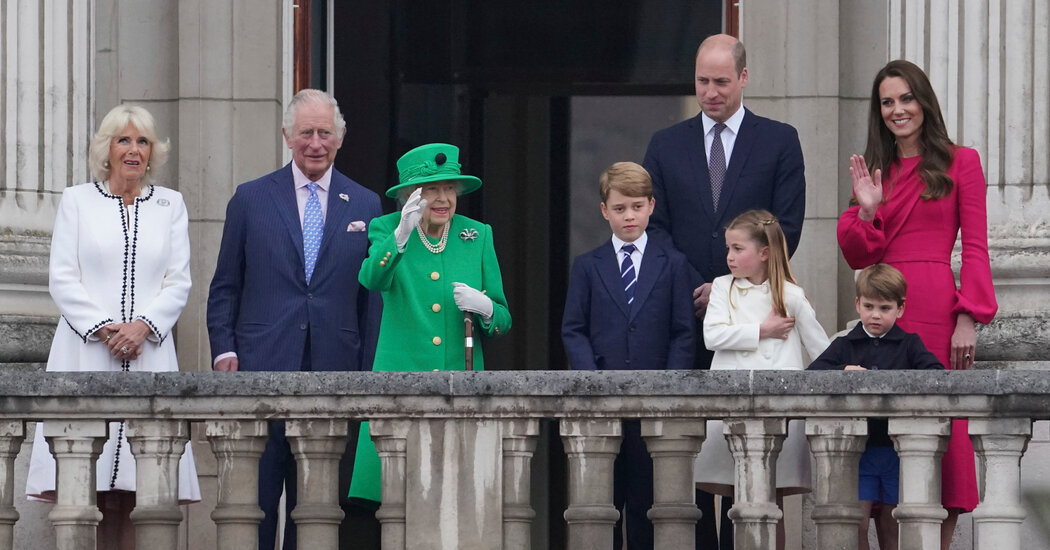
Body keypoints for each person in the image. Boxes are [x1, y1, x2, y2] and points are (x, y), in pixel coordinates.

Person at [641, 34, 807, 546]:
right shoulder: (665, 144)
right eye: (701, 81)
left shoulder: (779, 139)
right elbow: (656, 227)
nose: (710, 92)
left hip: (755, 319)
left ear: (743, 78)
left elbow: (787, 226)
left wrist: (729, 283)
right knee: (693, 451)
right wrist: (697, 285)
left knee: (751, 453)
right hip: (683, 316)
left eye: (720, 82)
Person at [206, 88, 382, 549]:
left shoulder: (365, 204)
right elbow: (225, 286)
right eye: (307, 132)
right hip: (260, 373)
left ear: (340, 138)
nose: (316, 143)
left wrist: (366, 376)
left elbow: (371, 301)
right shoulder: (250, 198)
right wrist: (225, 350)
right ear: (288, 135)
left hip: (334, 376)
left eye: (325, 133)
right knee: (257, 508)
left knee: (317, 513)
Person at [837, 59, 997, 550]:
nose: (898, 109)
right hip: (881, 309)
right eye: (888, 101)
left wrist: (968, 316)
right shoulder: (874, 172)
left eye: (906, 98)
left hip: (935, 307)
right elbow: (858, 253)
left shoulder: (960, 160)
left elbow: (975, 246)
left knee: (941, 436)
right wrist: (867, 208)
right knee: (884, 434)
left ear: (923, 101)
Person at [25, 104, 201, 548]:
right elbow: (63, 277)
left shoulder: (170, 205)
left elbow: (178, 279)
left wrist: (142, 327)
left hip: (149, 353)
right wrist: (107, 329)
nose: (133, 150)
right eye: (124, 140)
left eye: (142, 141)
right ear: (107, 148)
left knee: (139, 491)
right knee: (89, 486)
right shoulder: (77, 201)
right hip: (86, 353)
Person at [348, 142, 511, 505]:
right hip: (400, 389)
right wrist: (401, 236)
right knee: (399, 501)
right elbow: (371, 279)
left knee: (456, 501)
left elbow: (503, 320)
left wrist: (485, 308)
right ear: (410, 196)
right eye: (432, 189)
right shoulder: (387, 229)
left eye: (450, 188)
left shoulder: (477, 235)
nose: (443, 198)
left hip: (460, 395)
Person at [561, 162, 695, 550]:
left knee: (647, 504)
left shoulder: (673, 264)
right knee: (602, 505)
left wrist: (669, 388)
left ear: (651, 206)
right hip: (602, 405)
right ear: (604, 210)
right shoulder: (588, 265)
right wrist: (592, 382)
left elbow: (683, 332)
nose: (629, 216)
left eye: (637, 206)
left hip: (655, 407)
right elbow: (574, 329)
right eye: (620, 208)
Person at [694, 210, 828, 550]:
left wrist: (849, 370)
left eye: (738, 249)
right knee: (734, 496)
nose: (729, 256)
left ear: (764, 252)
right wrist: (763, 330)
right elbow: (713, 336)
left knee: (772, 502)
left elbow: (821, 349)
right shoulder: (723, 288)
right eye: (728, 248)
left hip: (778, 410)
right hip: (729, 405)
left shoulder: (791, 295)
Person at [808, 264, 944, 550]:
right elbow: (812, 373)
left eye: (885, 308)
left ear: (900, 309)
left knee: (892, 520)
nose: (875, 315)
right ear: (857, 305)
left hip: (899, 449)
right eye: (869, 306)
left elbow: (936, 374)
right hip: (860, 450)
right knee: (856, 519)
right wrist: (844, 370)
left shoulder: (909, 344)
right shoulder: (846, 344)